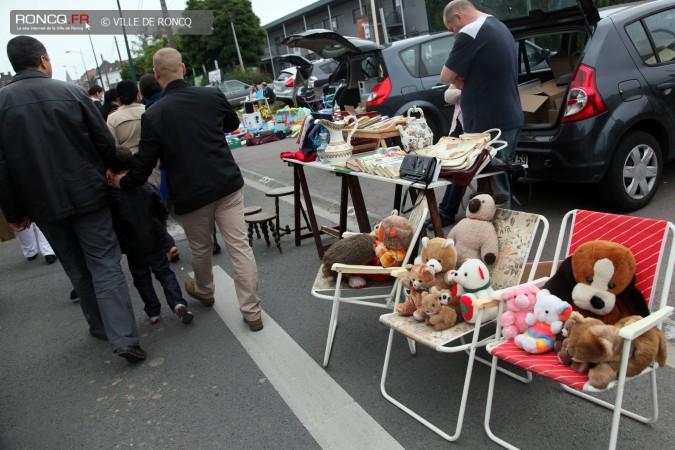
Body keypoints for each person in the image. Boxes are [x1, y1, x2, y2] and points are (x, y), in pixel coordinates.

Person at [0, 36, 145, 362]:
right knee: (105, 263)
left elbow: (3, 169)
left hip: (42, 205)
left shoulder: (2, 104)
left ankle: (99, 326)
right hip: (89, 194)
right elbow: (104, 145)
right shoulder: (71, 93)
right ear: (42, 59)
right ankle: (123, 336)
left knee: (75, 266)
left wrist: (15, 213)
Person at [112, 48, 264, 332]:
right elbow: (232, 124)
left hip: (190, 192)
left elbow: (144, 164)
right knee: (239, 247)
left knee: (201, 247)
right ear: (183, 68)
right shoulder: (211, 95)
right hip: (226, 182)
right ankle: (252, 311)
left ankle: (205, 292)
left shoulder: (153, 114)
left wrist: (124, 182)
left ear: (156, 75)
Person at [440, 0, 524, 211]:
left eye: (452, 29)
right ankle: (493, 234)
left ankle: (506, 238)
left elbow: (445, 76)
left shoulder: (471, 31)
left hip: (490, 126)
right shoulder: (498, 25)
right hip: (507, 118)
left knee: (497, 190)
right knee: (495, 183)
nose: (454, 35)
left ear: (458, 17)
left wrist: (459, 78)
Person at [107, 145, 193, 325]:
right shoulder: (145, 186)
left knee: (141, 278)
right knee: (164, 273)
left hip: (131, 245)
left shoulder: (112, 195)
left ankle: (153, 311)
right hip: (154, 239)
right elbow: (162, 210)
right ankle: (177, 303)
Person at [107, 80, 180, 263]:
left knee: (137, 209)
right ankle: (166, 242)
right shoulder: (146, 110)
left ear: (118, 97)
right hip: (151, 161)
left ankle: (149, 248)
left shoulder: (113, 118)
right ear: (136, 94)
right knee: (156, 203)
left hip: (126, 167)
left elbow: (112, 147)